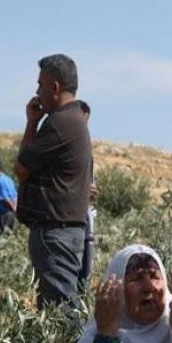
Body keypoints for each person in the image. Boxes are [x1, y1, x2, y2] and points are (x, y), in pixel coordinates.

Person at [15, 54, 92, 309]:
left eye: (40, 84)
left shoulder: (60, 122)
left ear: (54, 87)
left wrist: (31, 123)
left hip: (56, 233)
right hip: (64, 231)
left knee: (59, 312)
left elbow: (21, 168)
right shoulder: (74, 119)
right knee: (62, 307)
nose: (37, 91)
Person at [75, 99, 98, 295]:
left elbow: (91, 185)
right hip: (70, 220)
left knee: (85, 271)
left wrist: (91, 190)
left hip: (84, 218)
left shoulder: (87, 152)